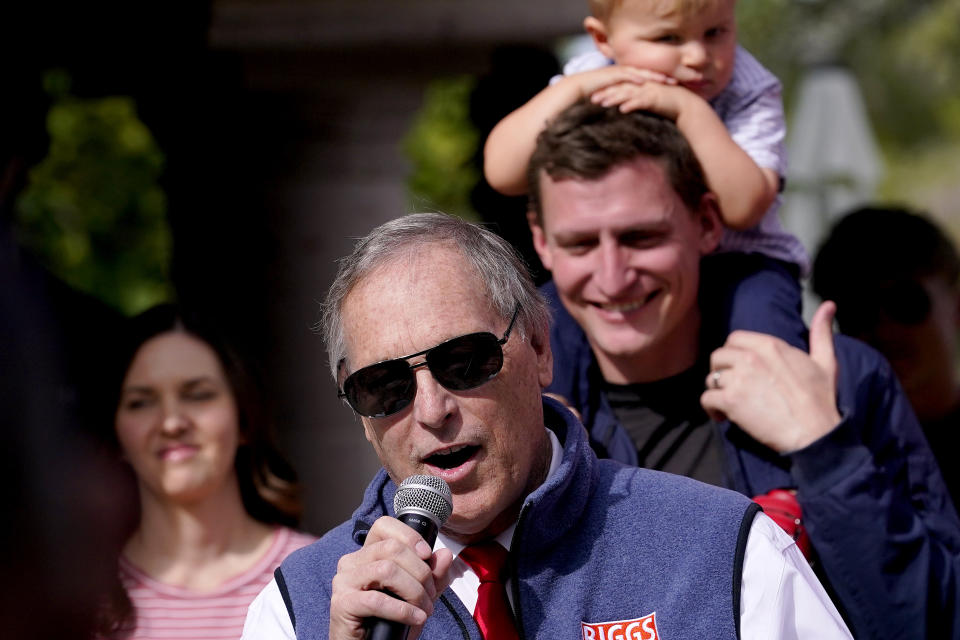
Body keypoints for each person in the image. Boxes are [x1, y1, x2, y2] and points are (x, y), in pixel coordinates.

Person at [241, 212, 852, 639]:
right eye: (385, 387)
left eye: (464, 361)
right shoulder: (298, 609)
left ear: (538, 347)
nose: (432, 410)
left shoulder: (724, 550)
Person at [526, 100, 960, 638]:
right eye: (581, 243)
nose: (613, 277)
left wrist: (824, 451)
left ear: (707, 223)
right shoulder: (526, 424)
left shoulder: (842, 380)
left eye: (642, 238)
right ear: (541, 241)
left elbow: (933, 620)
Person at [485, 0, 808, 353]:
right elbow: (502, 173)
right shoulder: (594, 72)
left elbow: (744, 207)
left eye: (715, 32)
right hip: (637, 271)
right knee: (546, 330)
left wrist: (688, 111)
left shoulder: (748, 90)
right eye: (668, 38)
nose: (698, 56)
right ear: (603, 39)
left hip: (742, 264)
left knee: (765, 346)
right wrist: (576, 89)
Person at [98, 304, 316, 639]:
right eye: (141, 402)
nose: (171, 423)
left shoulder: (319, 573)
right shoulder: (79, 598)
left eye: (198, 395)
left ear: (244, 418)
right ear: (115, 433)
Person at [813, 205, 960, 505]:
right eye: (858, 311)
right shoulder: (828, 458)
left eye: (905, 302)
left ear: (957, 305)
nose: (884, 329)